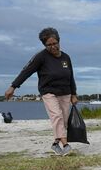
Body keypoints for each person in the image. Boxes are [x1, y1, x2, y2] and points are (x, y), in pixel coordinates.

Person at [5, 27, 78, 156]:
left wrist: (74, 94)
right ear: (44, 45)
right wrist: (13, 86)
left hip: (65, 92)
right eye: (48, 45)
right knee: (57, 116)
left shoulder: (66, 57)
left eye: (55, 43)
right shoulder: (41, 57)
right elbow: (26, 71)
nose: (52, 47)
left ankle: (55, 143)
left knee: (64, 121)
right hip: (48, 92)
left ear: (59, 41)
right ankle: (65, 145)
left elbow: (71, 76)